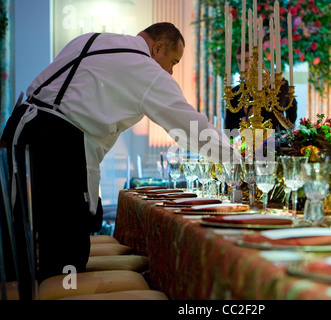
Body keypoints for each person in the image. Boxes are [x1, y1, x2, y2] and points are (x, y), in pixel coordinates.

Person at [1, 22, 238, 282]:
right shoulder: (145, 69)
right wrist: (238, 160)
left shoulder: (90, 39)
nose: (170, 72)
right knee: (66, 256)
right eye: (173, 61)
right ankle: (62, 292)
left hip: (21, 130)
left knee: (20, 232)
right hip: (58, 147)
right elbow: (191, 128)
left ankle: (19, 285)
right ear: (157, 47)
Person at [224, 44, 298, 133]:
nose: (243, 66)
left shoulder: (279, 85)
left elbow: (292, 106)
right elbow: (229, 130)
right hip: (249, 143)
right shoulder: (236, 93)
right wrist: (246, 119)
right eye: (239, 62)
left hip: (277, 141)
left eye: (247, 61)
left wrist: (288, 131)